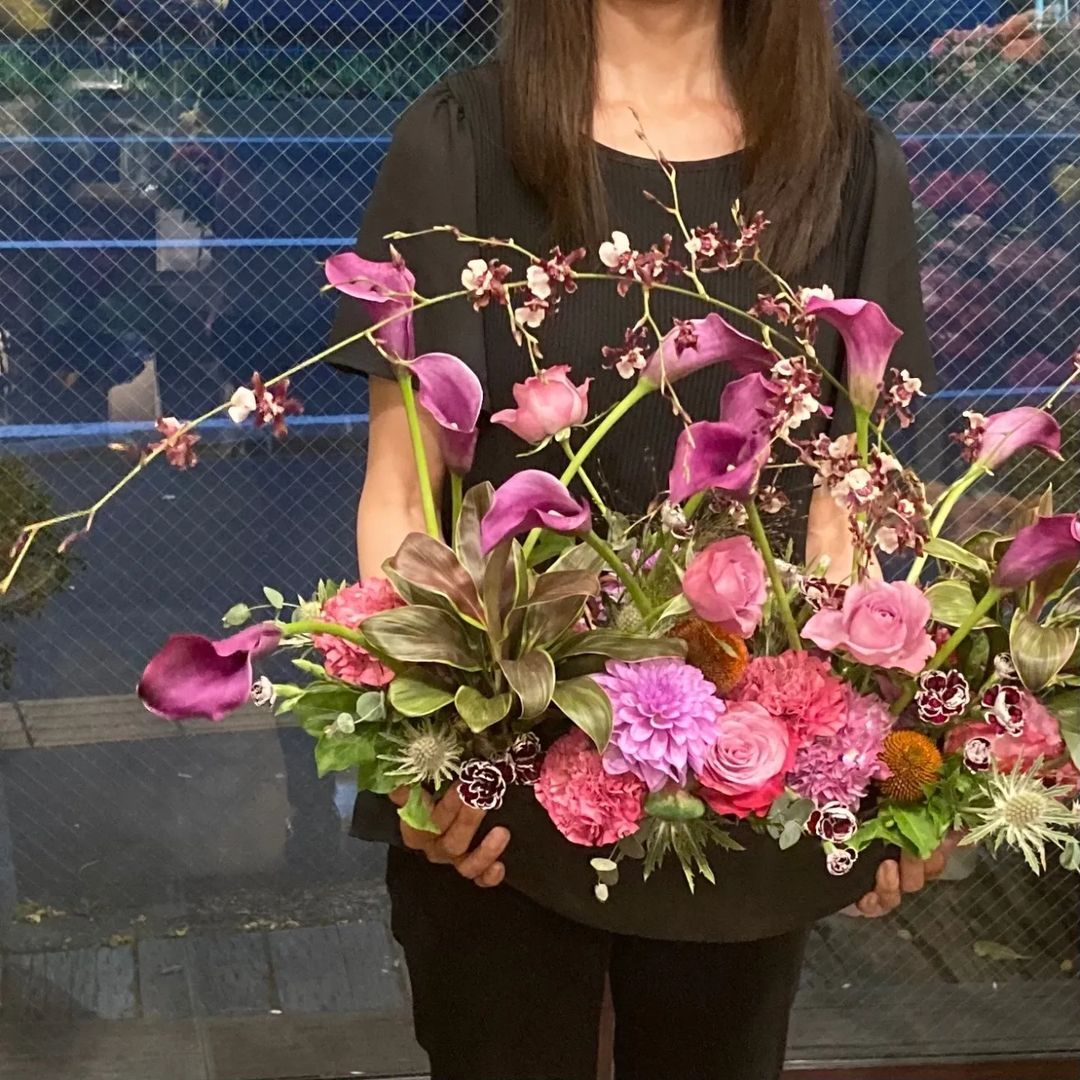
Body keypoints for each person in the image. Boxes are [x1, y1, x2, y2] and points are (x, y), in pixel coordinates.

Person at [330, 3, 948, 1077]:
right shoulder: (459, 140)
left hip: (741, 790)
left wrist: (876, 776)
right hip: (499, 792)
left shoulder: (847, 163)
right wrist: (423, 757)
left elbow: (842, 521)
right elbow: (402, 498)